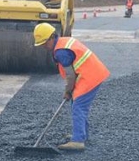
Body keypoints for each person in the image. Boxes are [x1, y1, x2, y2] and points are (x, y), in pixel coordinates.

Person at [33, 23, 110, 151]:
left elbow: (70, 75)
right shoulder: (63, 42)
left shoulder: (61, 52)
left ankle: (78, 141)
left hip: (89, 76)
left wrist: (67, 91)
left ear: (52, 37)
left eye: (45, 43)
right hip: (91, 73)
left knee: (78, 106)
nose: (43, 47)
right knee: (77, 104)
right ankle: (81, 134)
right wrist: (70, 91)